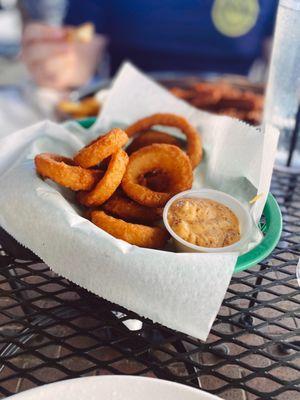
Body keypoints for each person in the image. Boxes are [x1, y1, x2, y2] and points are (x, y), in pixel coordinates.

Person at [20, 0, 278, 90]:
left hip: (236, 124)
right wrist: (55, 63)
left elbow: (284, 73)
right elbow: (78, 60)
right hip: (125, 117)